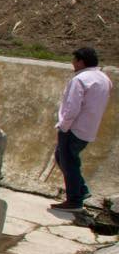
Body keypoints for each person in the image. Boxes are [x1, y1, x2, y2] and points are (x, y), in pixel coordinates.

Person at [53, 46, 112, 210]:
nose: (72, 63)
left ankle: (74, 198)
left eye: (74, 60)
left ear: (80, 61)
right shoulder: (104, 79)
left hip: (73, 128)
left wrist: (63, 126)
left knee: (68, 162)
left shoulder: (80, 80)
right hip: (89, 128)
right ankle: (82, 190)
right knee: (64, 158)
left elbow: (72, 107)